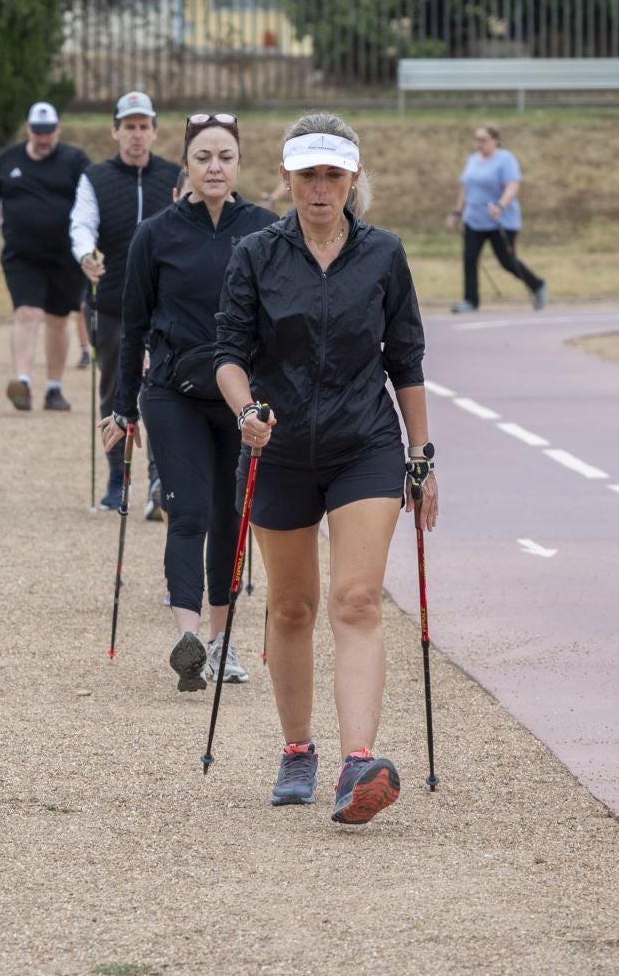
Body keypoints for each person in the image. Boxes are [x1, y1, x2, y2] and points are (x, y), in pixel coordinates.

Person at [214, 113, 436, 826]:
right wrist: (247, 411)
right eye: (307, 174)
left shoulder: (384, 254)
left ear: (352, 178)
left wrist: (421, 455)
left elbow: (405, 358)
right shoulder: (256, 253)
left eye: (333, 175)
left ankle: (356, 763)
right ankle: (298, 748)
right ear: (285, 177)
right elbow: (228, 352)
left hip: (363, 444)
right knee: (291, 605)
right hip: (278, 446)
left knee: (358, 600)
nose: (319, 188)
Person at [102, 112, 278, 692]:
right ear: (185, 164)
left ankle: (224, 642)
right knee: (190, 510)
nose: (214, 167)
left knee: (232, 515)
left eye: (225, 156)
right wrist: (122, 408)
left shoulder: (265, 231)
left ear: (239, 164)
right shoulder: (155, 233)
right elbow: (133, 327)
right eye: (203, 157)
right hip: (172, 393)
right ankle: (189, 637)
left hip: (241, 400)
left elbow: (281, 324)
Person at [72, 90, 182, 512]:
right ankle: (118, 476)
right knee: (117, 388)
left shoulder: (174, 175)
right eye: (129, 127)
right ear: (115, 131)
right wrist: (86, 255)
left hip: (167, 305)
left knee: (162, 389)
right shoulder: (95, 177)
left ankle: (160, 482)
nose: (136, 135)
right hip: (112, 301)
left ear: (154, 131)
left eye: (143, 127)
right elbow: (82, 224)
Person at [0, 102, 91, 411]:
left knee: (57, 319)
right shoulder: (8, 159)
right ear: (28, 130)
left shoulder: (75, 160)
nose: (43, 138)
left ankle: (54, 388)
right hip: (21, 255)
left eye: (49, 132)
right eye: (38, 133)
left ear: (58, 129)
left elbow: (92, 201)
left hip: (66, 255)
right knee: (27, 312)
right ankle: (22, 381)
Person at [447, 125, 546, 313]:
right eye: (477, 139)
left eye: (483, 139)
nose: (479, 144)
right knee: (470, 259)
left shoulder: (505, 159)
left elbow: (513, 185)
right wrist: (457, 212)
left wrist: (501, 205)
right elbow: (465, 188)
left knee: (507, 261)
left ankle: (537, 284)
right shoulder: (472, 160)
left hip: (500, 220)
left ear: (495, 140)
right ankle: (471, 301)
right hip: (474, 220)